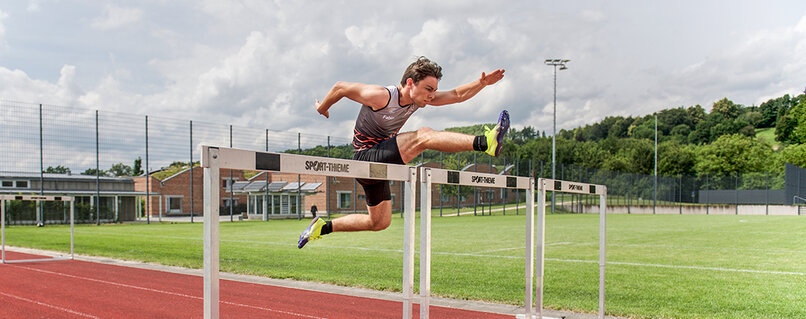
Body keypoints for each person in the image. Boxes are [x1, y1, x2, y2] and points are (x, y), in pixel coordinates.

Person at [298, 56, 508, 248]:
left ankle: (321, 227)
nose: (431, 95)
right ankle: (485, 143)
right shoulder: (381, 96)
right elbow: (340, 87)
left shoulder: (420, 99)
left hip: (382, 161)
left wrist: (481, 83)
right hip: (365, 158)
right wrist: (322, 108)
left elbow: (456, 95)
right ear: (410, 83)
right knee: (422, 136)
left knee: (379, 222)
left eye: (434, 90)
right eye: (428, 89)